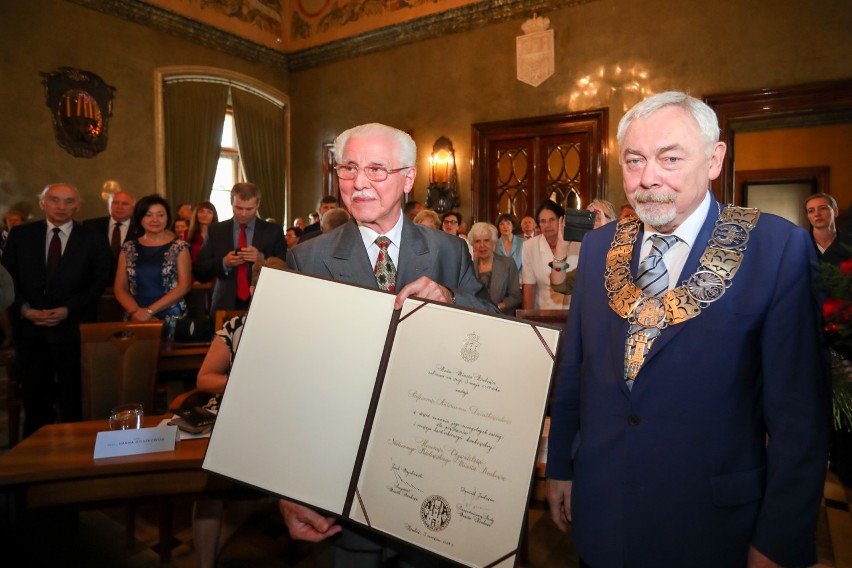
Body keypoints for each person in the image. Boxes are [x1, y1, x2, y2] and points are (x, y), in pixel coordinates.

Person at [545, 92, 829, 568]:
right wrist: (561, 468)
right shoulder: (598, 248)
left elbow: (799, 420)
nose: (648, 177)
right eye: (634, 161)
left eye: (670, 158)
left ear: (714, 159)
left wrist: (778, 542)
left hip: (711, 528)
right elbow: (577, 371)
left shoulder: (776, 250)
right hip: (602, 514)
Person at [282, 122, 496, 568]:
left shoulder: (448, 251)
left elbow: (496, 328)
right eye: (349, 168)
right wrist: (287, 487)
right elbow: (289, 380)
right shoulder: (309, 257)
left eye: (377, 169)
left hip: (435, 469)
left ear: (407, 178)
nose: (359, 182)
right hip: (342, 479)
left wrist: (450, 299)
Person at [192, 256, 285, 568]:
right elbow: (205, 379)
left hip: (274, 420)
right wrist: (243, 382)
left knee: (244, 488)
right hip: (228, 411)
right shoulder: (234, 328)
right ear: (254, 289)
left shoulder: (300, 330)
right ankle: (207, 562)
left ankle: (214, 553)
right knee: (211, 487)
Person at [2, 183, 111, 436]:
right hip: (30, 330)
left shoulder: (93, 239)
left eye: (69, 201)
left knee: (74, 396)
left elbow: (99, 281)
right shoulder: (21, 235)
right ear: (43, 203)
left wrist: (68, 310)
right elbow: (6, 280)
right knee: (35, 396)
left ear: (78, 206)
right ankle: (35, 454)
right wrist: (24, 309)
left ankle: (76, 454)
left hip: (73, 330)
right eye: (55, 200)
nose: (61, 207)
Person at [193, 182, 286, 314]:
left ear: (258, 204)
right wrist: (224, 263)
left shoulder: (273, 231)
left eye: (249, 209)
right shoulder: (216, 231)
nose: (243, 214)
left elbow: (285, 271)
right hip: (224, 304)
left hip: (263, 304)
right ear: (231, 202)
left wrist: (261, 259)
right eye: (238, 208)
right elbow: (200, 271)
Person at [114, 194, 192, 338]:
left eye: (160, 215)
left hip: (172, 316)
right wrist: (137, 312)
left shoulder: (179, 247)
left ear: (167, 218)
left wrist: (149, 312)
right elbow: (120, 288)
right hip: (135, 315)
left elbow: (184, 286)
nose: (155, 220)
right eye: (148, 215)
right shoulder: (129, 247)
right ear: (140, 218)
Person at [521, 200, 578, 310]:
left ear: (561, 220)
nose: (547, 225)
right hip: (544, 312)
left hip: (573, 310)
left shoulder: (577, 243)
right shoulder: (530, 246)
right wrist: (528, 319)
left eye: (552, 220)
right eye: (543, 221)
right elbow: (529, 285)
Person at [82, 190, 139, 278]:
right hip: (94, 284)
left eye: (125, 204)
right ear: (109, 205)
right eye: (115, 202)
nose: (119, 207)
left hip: (129, 285)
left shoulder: (141, 229)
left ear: (133, 208)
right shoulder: (90, 226)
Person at [468, 222, 521, 314]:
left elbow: (516, 297)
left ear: (493, 242)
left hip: (502, 318)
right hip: (475, 318)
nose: (482, 245)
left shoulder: (508, 263)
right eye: (477, 241)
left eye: (486, 240)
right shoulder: (469, 267)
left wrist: (496, 309)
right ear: (473, 245)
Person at [805, 192, 839, 256]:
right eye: (811, 211)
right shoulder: (800, 244)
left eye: (823, 208)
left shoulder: (848, 242)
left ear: (835, 212)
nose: (817, 214)